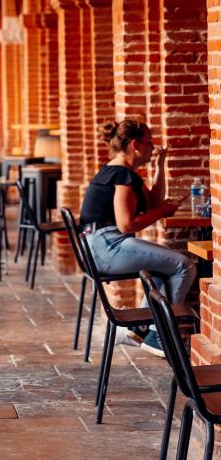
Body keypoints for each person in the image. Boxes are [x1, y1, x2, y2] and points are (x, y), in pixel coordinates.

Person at [80, 120, 196, 357]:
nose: (153, 147)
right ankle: (159, 337)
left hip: (98, 244)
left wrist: (160, 165)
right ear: (135, 145)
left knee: (165, 268)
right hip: (105, 246)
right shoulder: (122, 175)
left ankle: (137, 330)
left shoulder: (122, 172)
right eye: (149, 142)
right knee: (183, 266)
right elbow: (127, 224)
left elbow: (153, 202)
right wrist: (164, 211)